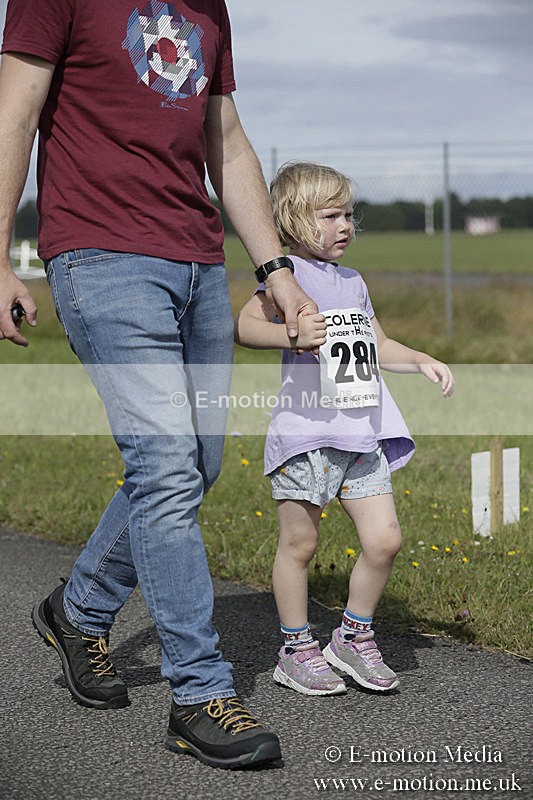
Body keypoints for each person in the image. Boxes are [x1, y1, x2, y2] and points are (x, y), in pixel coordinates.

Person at [0, 1, 318, 770]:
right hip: (100, 257)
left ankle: (76, 612)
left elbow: (227, 140)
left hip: (198, 265)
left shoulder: (209, 10)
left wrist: (275, 269)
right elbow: (14, 114)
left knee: (192, 464)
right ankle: (199, 693)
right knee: (167, 467)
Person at [235, 161, 455, 697]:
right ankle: (295, 647)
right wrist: (291, 336)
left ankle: (352, 637)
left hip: (361, 437)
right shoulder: (285, 276)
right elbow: (243, 326)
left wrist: (421, 358)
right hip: (307, 435)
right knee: (301, 544)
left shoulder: (354, 282)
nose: (345, 226)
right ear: (292, 218)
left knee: (385, 540)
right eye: (330, 215)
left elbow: (377, 345)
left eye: (349, 215)